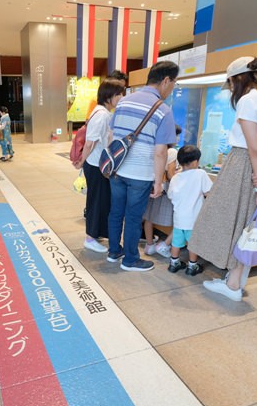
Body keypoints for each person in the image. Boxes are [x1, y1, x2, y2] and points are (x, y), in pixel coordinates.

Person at [190, 56, 257, 301]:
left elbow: (252, 147)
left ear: (238, 78)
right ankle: (234, 280)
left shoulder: (248, 100)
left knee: (225, 218)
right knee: (247, 222)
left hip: (244, 165)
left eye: (231, 83)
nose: (231, 89)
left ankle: (233, 285)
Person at [107, 61, 179, 272]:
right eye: (173, 83)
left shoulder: (123, 102)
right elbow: (160, 152)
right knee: (133, 217)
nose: (172, 88)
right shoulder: (163, 110)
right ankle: (130, 260)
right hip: (140, 174)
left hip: (117, 170)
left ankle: (114, 252)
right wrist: (158, 181)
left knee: (116, 212)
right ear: (166, 80)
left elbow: (112, 136)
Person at [73, 78, 126, 253]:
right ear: (109, 96)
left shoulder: (101, 112)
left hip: (97, 164)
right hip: (95, 165)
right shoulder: (102, 115)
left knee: (101, 201)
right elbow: (90, 143)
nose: (121, 98)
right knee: (96, 201)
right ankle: (90, 237)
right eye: (119, 95)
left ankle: (96, 234)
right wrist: (81, 160)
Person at [166, 145, 213, 276]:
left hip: (179, 218)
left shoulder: (175, 177)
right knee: (193, 244)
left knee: (176, 242)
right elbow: (209, 192)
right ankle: (192, 266)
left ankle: (174, 264)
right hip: (193, 219)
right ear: (195, 162)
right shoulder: (201, 174)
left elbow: (170, 195)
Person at [142, 125, 182, 258]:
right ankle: (164, 244)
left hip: (152, 186)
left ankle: (149, 245)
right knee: (178, 220)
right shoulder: (172, 152)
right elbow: (170, 175)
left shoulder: (155, 148)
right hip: (164, 189)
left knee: (149, 217)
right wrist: (181, 172)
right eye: (176, 135)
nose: (178, 138)